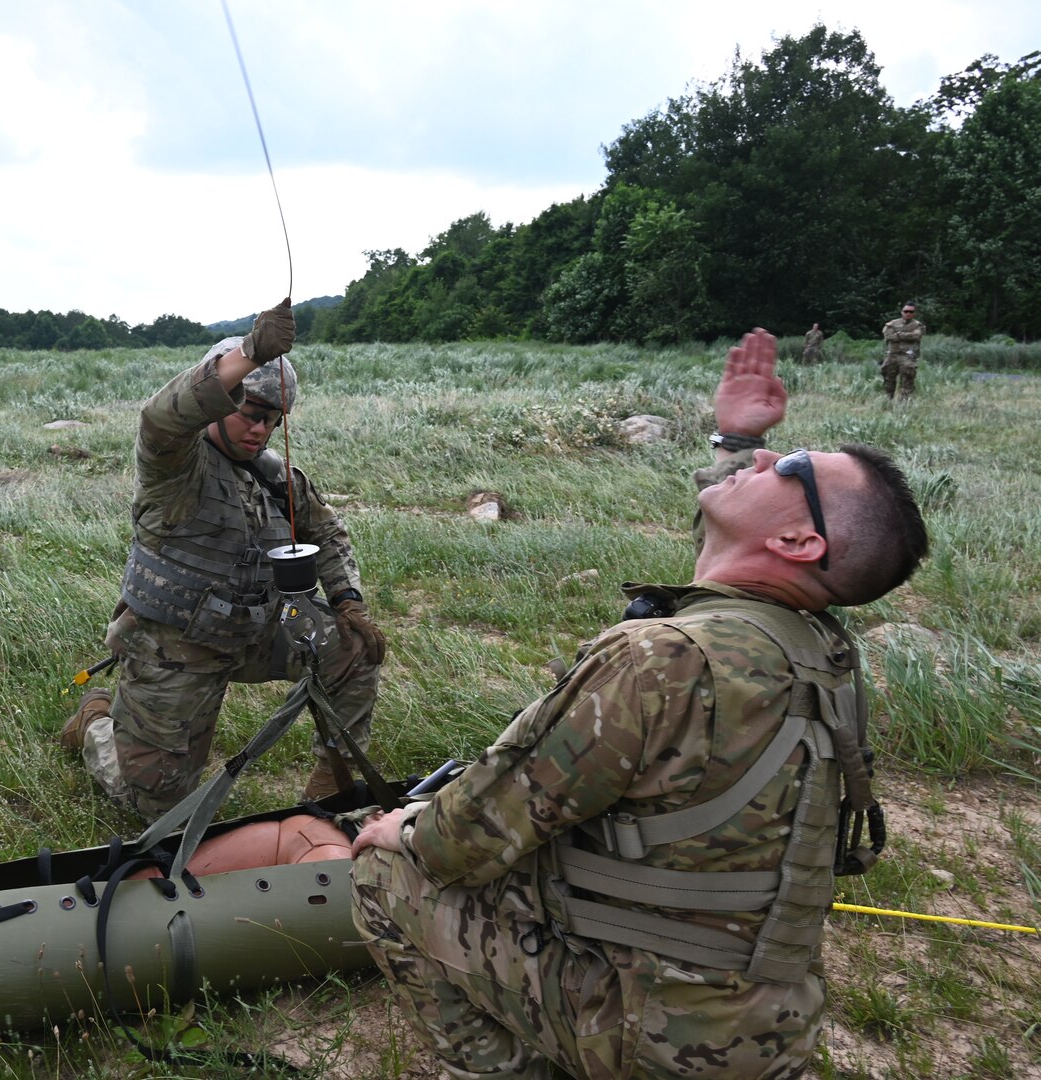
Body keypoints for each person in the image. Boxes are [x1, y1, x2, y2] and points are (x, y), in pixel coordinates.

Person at [351, 327, 929, 1080]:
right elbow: (729, 565)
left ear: (796, 541)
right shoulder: (818, 649)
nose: (762, 458)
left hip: (648, 1034)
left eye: (786, 465)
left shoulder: (660, 660)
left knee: (384, 874)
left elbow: (465, 838)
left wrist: (399, 829)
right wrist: (737, 440)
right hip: (761, 1028)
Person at [59, 299, 386, 821]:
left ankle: (332, 788)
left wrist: (348, 601)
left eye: (271, 420)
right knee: (158, 809)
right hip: (175, 647)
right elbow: (161, 417)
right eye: (248, 414)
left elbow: (326, 530)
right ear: (219, 405)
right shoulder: (175, 465)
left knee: (355, 647)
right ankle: (96, 723)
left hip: (255, 632)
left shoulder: (275, 475)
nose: (259, 430)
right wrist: (251, 353)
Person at [880, 303, 925, 400]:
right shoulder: (892, 324)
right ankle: (888, 401)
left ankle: (905, 403)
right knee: (888, 377)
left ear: (914, 313)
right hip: (892, 355)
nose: (908, 313)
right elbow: (888, 336)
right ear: (902, 312)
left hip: (908, 356)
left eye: (911, 312)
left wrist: (899, 334)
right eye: (906, 311)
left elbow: (916, 336)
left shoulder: (917, 325)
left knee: (907, 378)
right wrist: (906, 335)